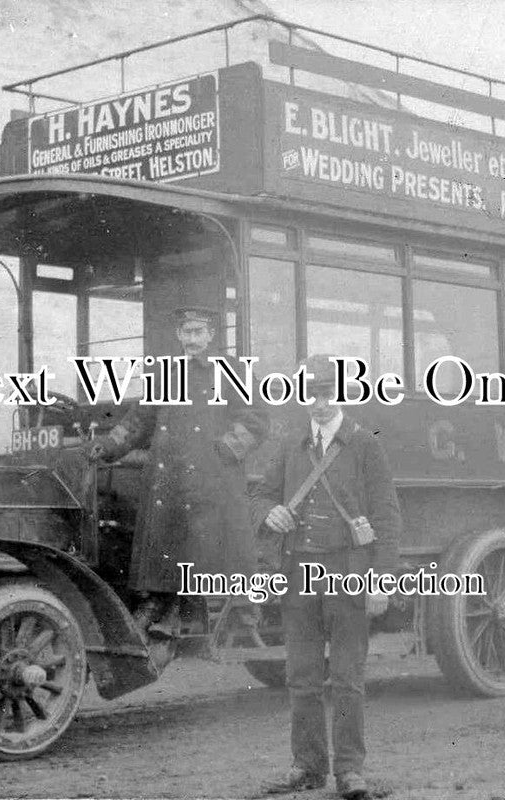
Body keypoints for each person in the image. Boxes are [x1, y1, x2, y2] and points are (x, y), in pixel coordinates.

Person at [253, 354, 401, 800]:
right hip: (299, 576)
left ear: (341, 394)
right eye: (310, 393)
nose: (318, 402)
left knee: (347, 677)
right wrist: (270, 513)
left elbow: (387, 518)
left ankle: (351, 771)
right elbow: (259, 496)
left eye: (325, 393)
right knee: (301, 676)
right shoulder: (291, 445)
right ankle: (307, 767)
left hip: (348, 575)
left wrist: (381, 580)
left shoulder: (364, 444)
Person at [88, 306, 268, 637]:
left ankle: (242, 613)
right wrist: (107, 446)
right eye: (187, 333)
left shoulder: (232, 371)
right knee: (164, 544)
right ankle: (158, 604)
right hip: (170, 478)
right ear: (179, 335)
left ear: (211, 335)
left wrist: (225, 449)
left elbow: (256, 417)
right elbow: (139, 420)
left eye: (199, 332)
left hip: (214, 479)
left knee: (220, 551)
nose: (192, 339)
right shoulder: (166, 375)